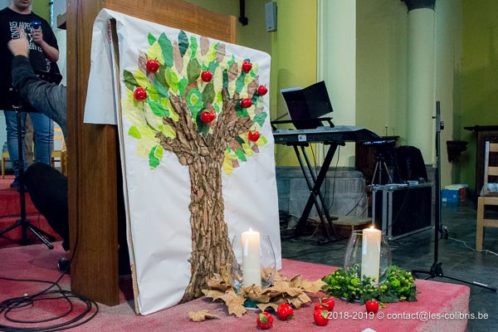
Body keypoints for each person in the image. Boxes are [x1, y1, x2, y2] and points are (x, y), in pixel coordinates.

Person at [8, 34, 130, 275]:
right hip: (144, 223)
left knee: (36, 174)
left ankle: (85, 247)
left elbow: (26, 85)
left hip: (95, 216)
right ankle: (126, 252)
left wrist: (21, 53)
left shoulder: (72, 99)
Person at [0, 0, 61, 190]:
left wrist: (40, 41)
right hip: (11, 84)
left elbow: (55, 56)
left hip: (41, 85)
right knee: (16, 132)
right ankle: (22, 177)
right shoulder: (1, 19)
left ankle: (42, 179)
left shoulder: (42, 22)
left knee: (44, 133)